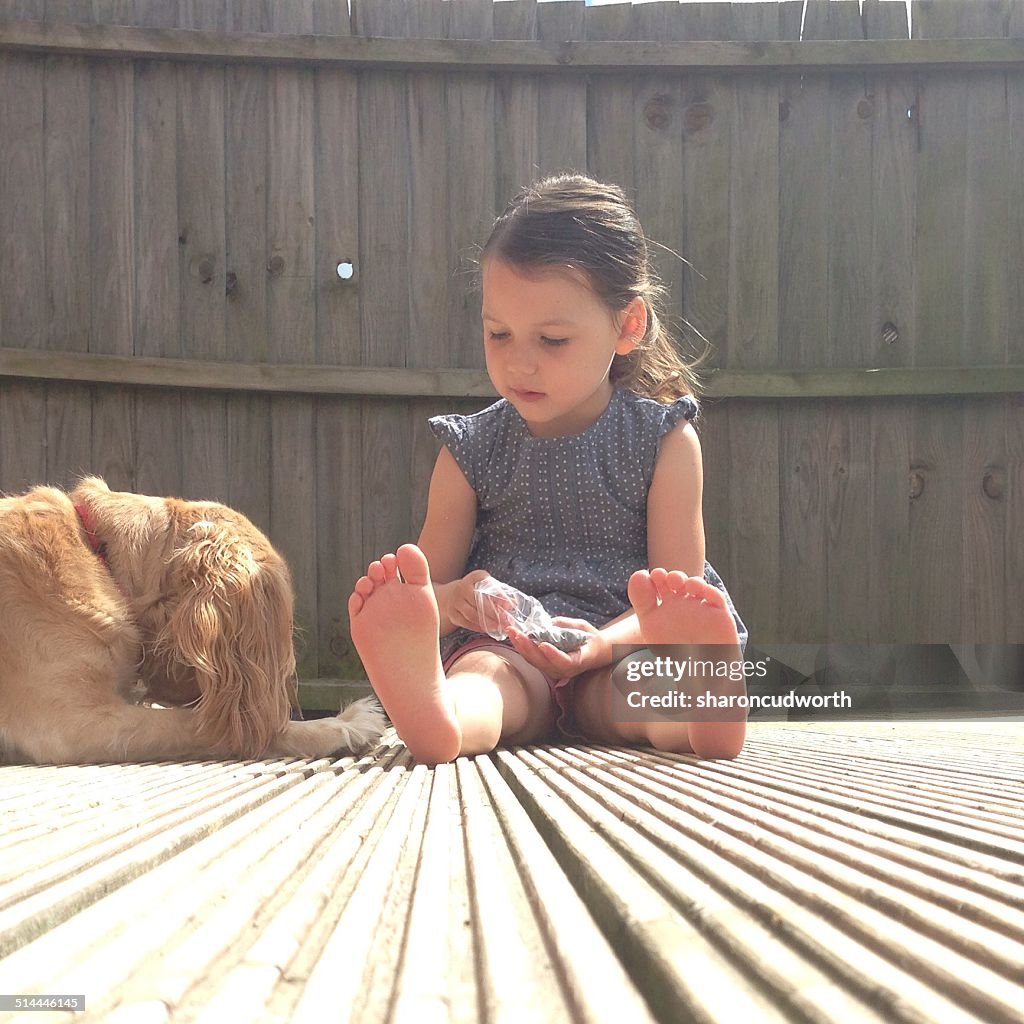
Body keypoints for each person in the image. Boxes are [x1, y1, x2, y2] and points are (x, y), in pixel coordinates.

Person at [348, 173, 748, 765]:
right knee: (483, 678)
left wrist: (598, 645)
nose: (519, 363)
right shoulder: (471, 449)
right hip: (510, 649)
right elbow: (426, 591)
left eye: (553, 339)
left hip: (618, 648)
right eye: (498, 334)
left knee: (638, 691)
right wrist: (455, 601)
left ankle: (697, 715)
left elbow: (673, 605)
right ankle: (442, 720)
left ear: (627, 326)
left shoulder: (662, 440)